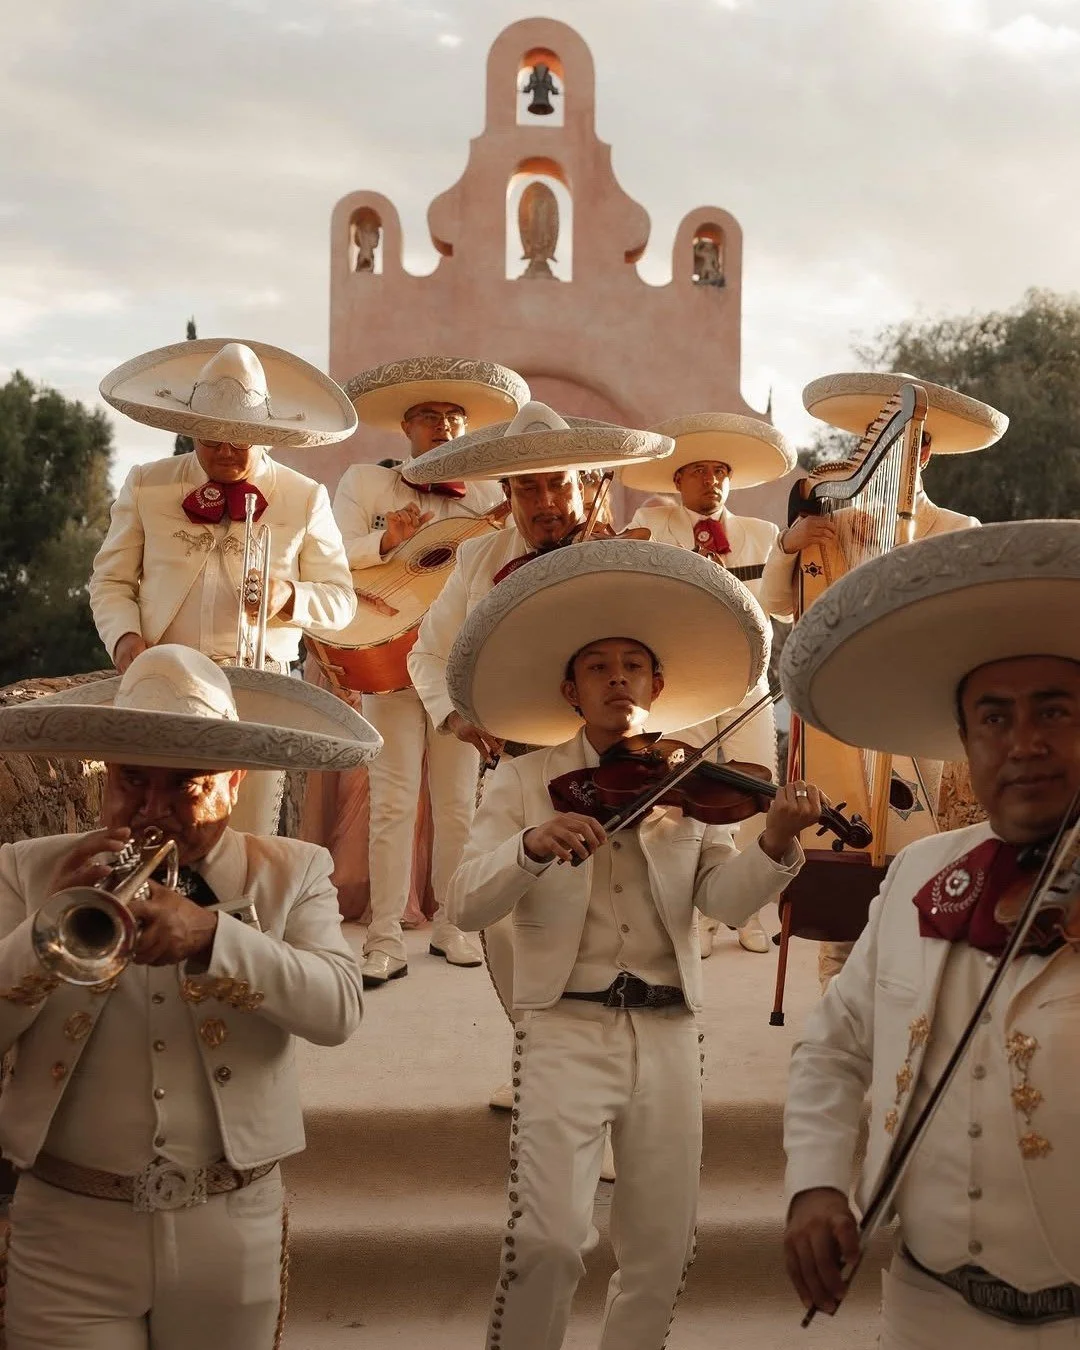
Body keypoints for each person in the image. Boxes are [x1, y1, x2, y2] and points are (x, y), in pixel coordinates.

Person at [442, 539, 819, 1350]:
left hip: (669, 1026)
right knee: (547, 1242)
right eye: (598, 667)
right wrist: (529, 847)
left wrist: (776, 842)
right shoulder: (522, 781)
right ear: (570, 690)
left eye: (634, 666)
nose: (618, 679)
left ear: (658, 685)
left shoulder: (690, 781)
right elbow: (465, 902)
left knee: (662, 1251)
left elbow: (722, 901)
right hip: (565, 1024)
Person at [0, 643, 380, 1349]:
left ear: (233, 783)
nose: (154, 809)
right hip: (67, 1228)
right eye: (133, 781)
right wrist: (42, 928)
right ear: (105, 774)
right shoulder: (27, 869)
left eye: (186, 786)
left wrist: (214, 938)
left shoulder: (294, 870)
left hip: (230, 1226)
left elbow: (338, 1010)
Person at [780, 520, 1080, 1348]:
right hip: (927, 1307)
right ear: (966, 745)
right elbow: (835, 1048)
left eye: (1055, 711)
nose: (1024, 743)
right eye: (994, 718)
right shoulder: (921, 871)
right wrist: (816, 1182)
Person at [405, 402, 672, 1113]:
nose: (546, 501)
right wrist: (457, 715)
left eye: (559, 484)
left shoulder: (623, 552)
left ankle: (616, 1076)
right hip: (521, 760)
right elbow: (426, 653)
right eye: (529, 488)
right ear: (508, 493)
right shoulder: (477, 559)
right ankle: (533, 1049)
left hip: (615, 761)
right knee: (502, 918)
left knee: (611, 914)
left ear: (585, 485)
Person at [758, 372, 1005, 985]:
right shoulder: (831, 522)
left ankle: (910, 1019)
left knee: (921, 884)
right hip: (846, 719)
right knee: (843, 892)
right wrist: (789, 545)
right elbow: (779, 606)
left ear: (922, 452)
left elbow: (963, 630)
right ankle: (837, 1014)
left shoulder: (958, 528)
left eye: (905, 442)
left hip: (921, 726)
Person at [90, 339, 358, 835]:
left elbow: (342, 602)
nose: (225, 452)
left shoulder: (305, 496)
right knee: (157, 824)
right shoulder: (147, 482)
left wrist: (290, 597)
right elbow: (110, 580)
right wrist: (125, 639)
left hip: (261, 687)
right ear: (190, 429)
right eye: (211, 440)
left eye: (240, 440)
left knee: (249, 835)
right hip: (163, 680)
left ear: (265, 435)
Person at [329, 357, 529, 986]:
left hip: (457, 662)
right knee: (392, 800)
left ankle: (453, 924)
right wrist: (387, 544)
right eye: (428, 416)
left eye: (454, 417)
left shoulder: (492, 496)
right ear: (405, 427)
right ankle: (384, 937)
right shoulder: (366, 482)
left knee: (458, 802)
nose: (443, 425)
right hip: (386, 651)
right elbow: (331, 556)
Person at [623, 412, 796, 956]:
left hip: (747, 678)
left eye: (720, 471)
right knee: (688, 794)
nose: (711, 480)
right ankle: (696, 914)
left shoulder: (764, 536)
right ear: (677, 479)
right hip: (685, 681)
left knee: (756, 786)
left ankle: (749, 910)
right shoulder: (653, 523)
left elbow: (783, 607)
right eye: (698, 471)